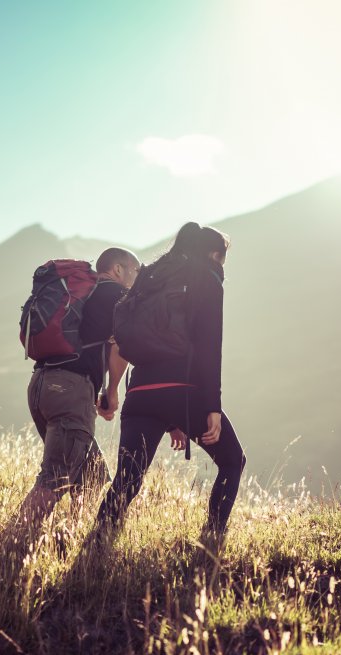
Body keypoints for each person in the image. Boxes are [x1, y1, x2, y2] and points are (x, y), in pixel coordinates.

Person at [94, 222, 246, 554]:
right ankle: (211, 543)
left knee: (127, 479)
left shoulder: (150, 278)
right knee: (233, 461)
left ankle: (96, 546)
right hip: (184, 390)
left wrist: (118, 390)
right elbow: (208, 347)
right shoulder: (206, 277)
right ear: (214, 255)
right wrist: (212, 407)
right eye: (222, 260)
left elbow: (127, 341)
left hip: (140, 394)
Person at [15, 247, 140, 533]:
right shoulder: (113, 295)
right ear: (118, 270)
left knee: (92, 474)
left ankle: (71, 538)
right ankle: (10, 545)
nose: (135, 279)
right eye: (133, 271)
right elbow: (118, 346)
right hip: (71, 389)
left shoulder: (84, 293)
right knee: (55, 478)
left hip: (42, 384)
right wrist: (111, 392)